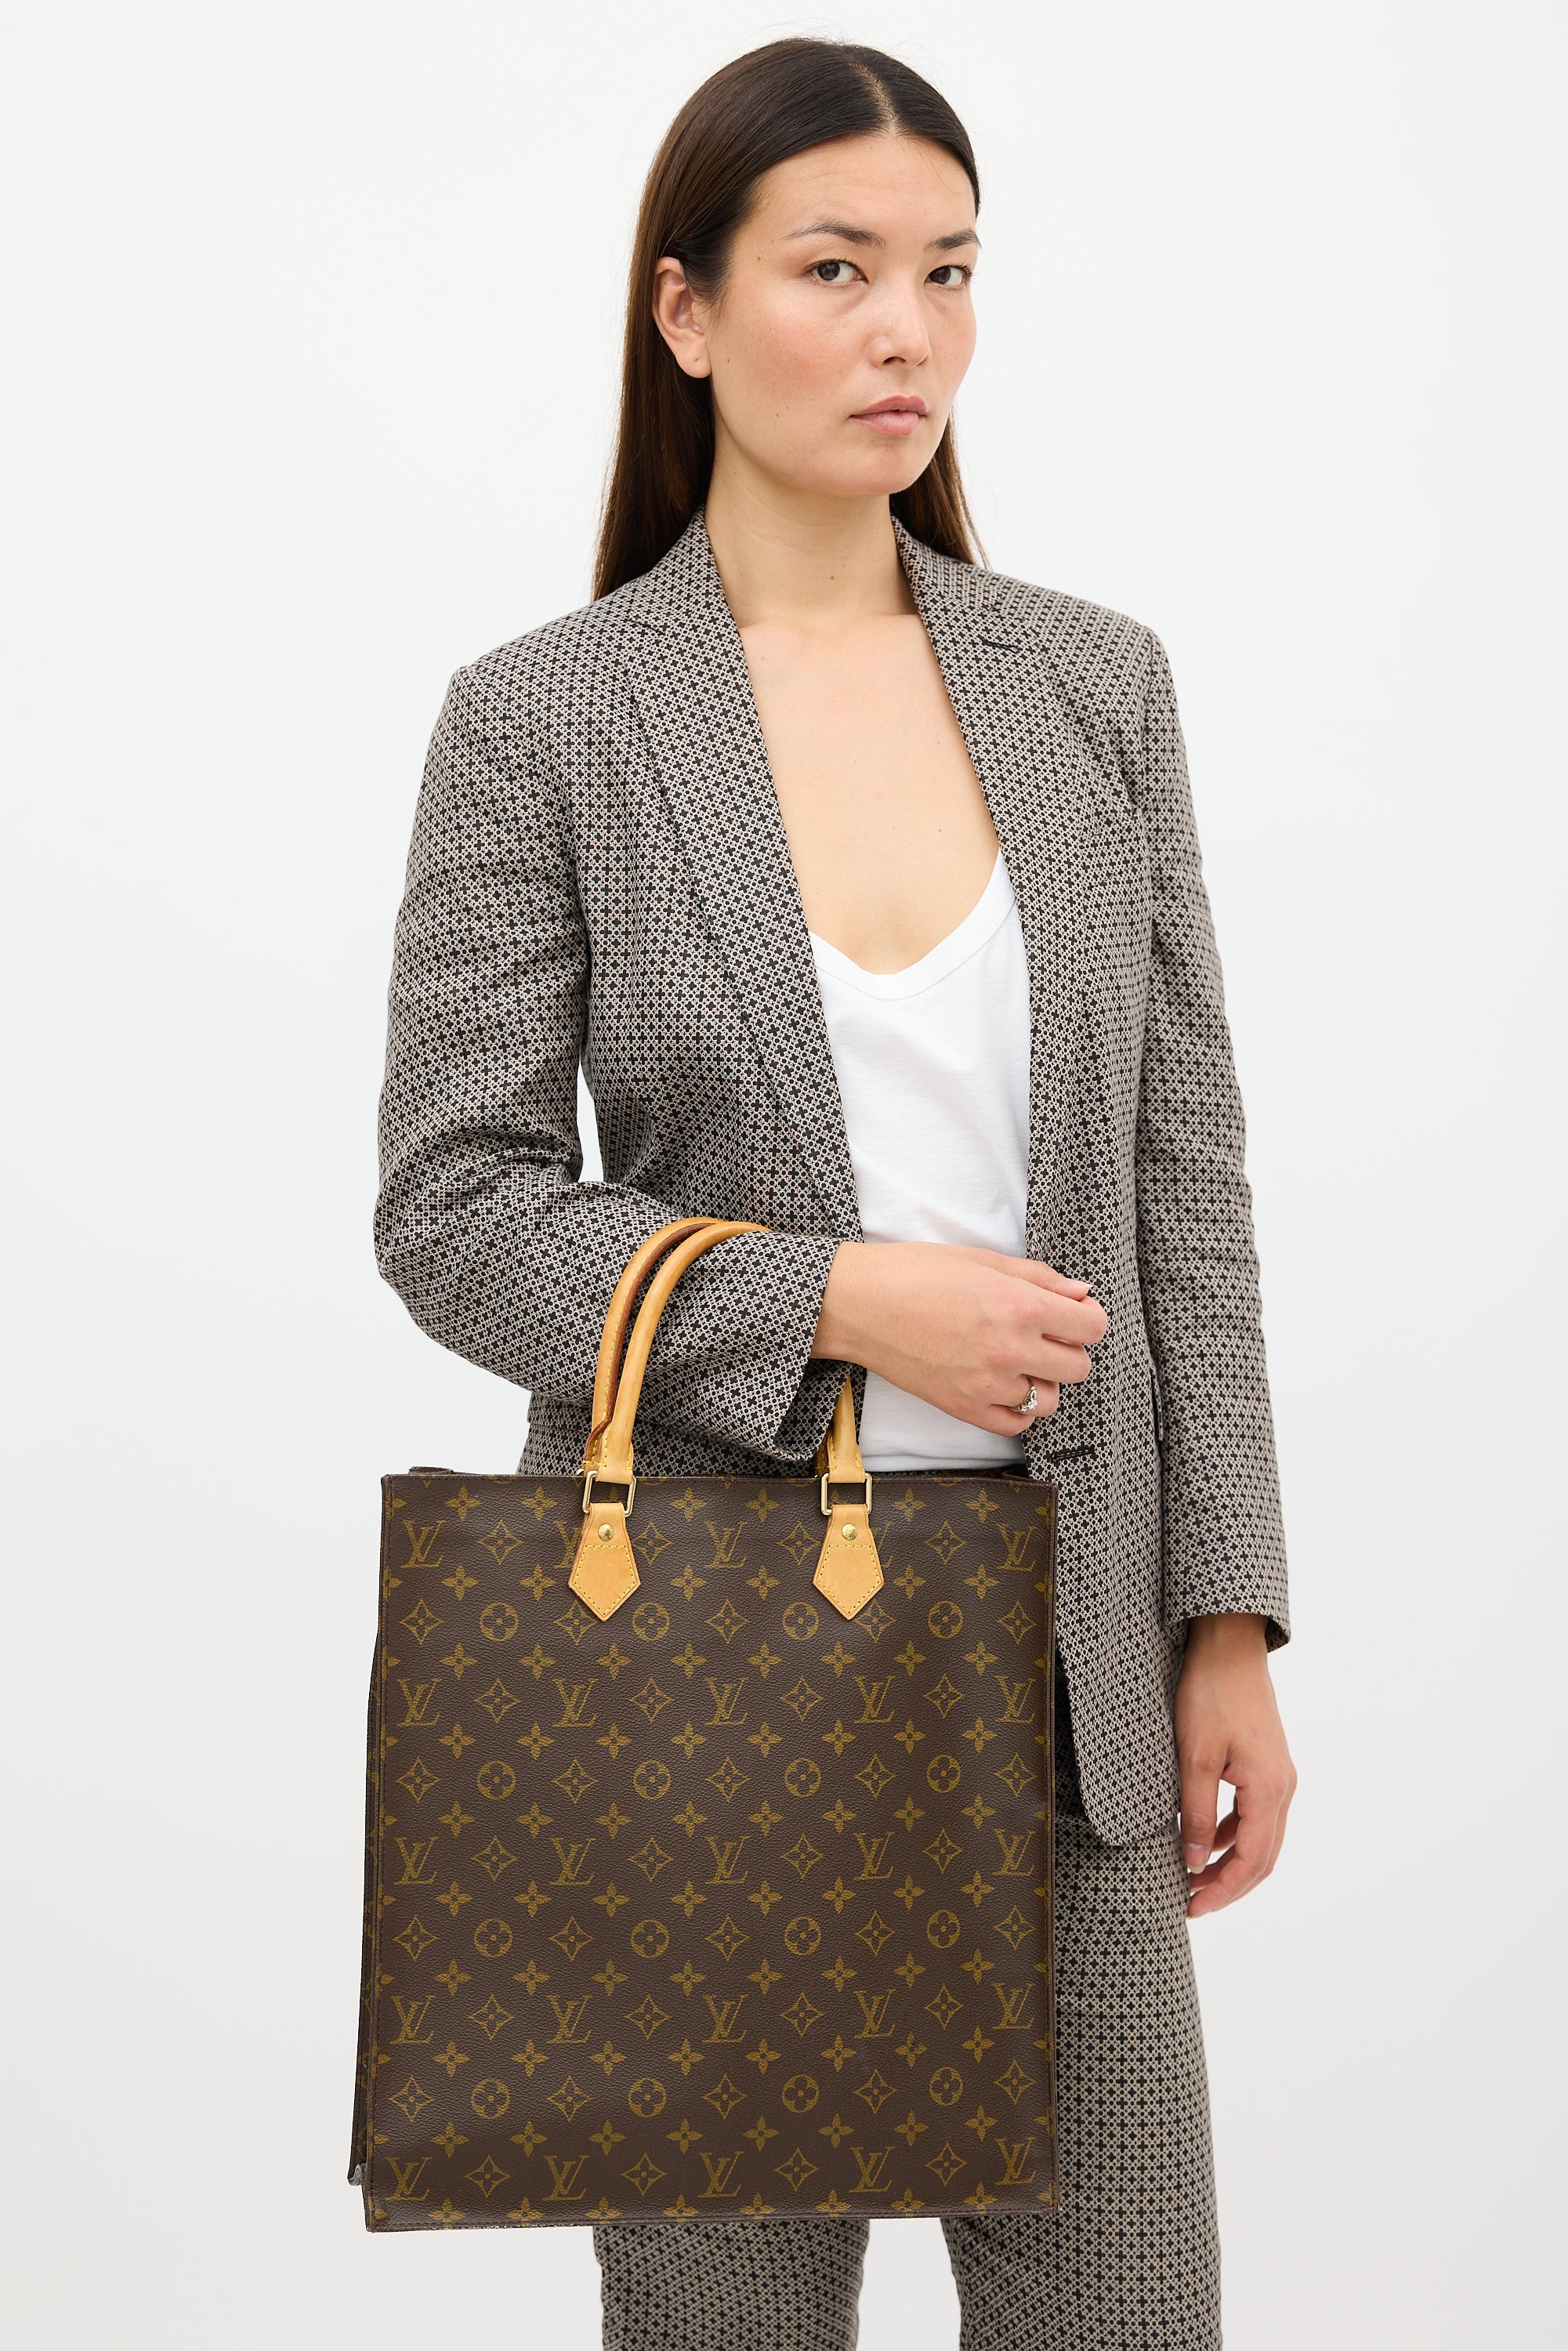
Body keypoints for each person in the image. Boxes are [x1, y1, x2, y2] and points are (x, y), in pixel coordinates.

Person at [374, 34, 1295, 2351]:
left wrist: (1226, 1621)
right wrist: (833, 1301)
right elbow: (454, 1205)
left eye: (949, 273)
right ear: (684, 310)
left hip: (1073, 1673)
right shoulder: (549, 718)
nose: (907, 331)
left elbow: (1185, 1186)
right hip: (703, 1666)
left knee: (1128, 2319)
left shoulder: (1095, 687)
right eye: (836, 269)